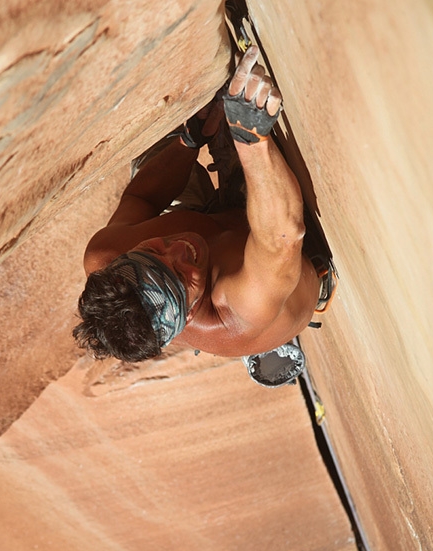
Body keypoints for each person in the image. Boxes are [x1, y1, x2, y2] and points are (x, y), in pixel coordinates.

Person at [74, 46, 329, 364]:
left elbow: (141, 199)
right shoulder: (240, 309)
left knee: (151, 152)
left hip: (214, 219)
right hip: (280, 253)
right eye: (181, 275)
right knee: (256, 161)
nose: (178, 248)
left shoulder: (106, 256)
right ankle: (237, 146)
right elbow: (284, 236)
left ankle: (209, 129)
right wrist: (250, 135)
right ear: (190, 310)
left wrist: (189, 139)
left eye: (154, 250)